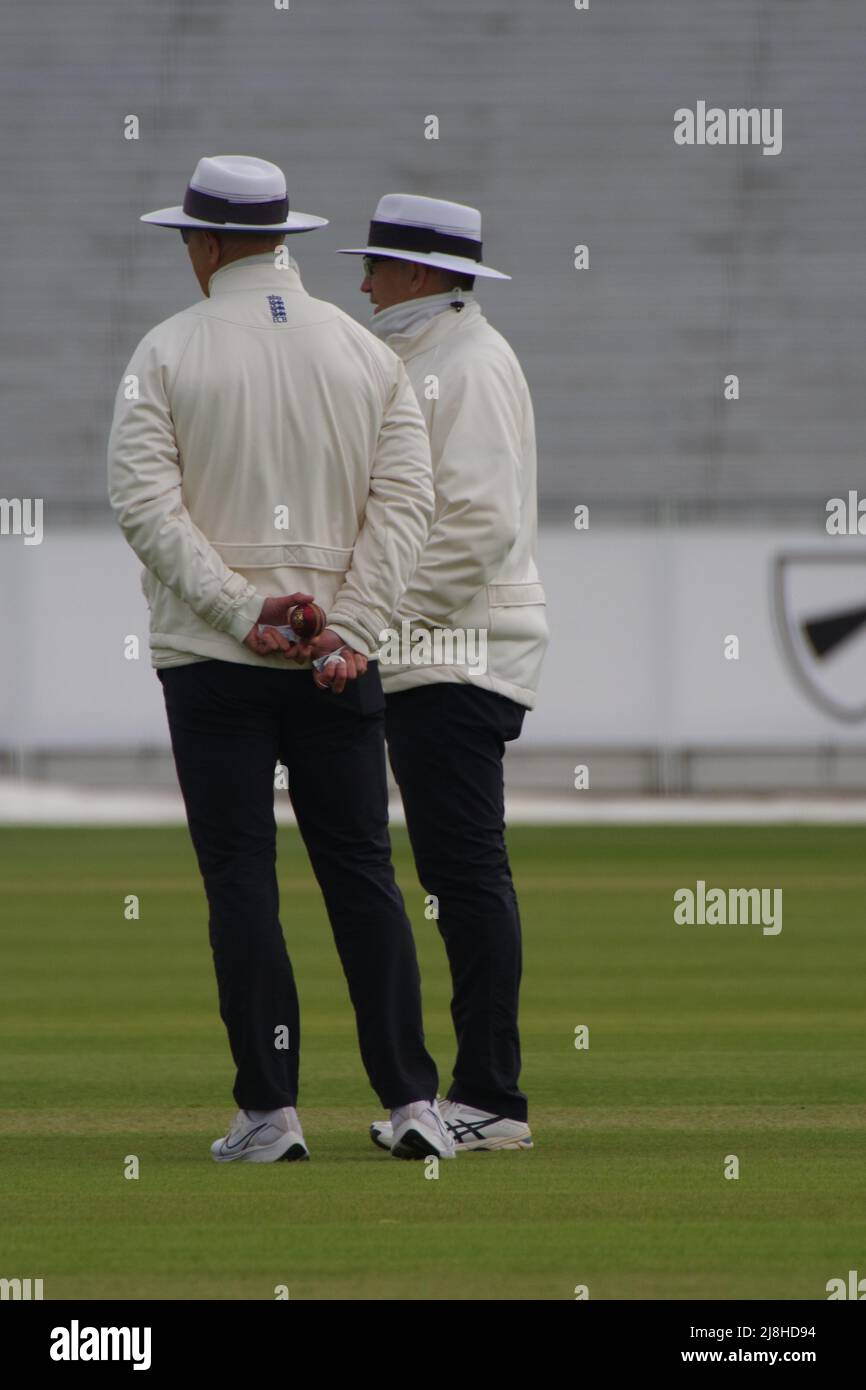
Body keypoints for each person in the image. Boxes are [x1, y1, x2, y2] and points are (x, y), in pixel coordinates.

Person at [108, 157, 455, 1162]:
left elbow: (144, 506)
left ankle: (270, 1111)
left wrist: (239, 607)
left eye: (188, 240)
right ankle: (411, 1100)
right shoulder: (363, 354)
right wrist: (350, 628)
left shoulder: (165, 351)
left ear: (208, 245)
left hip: (214, 663)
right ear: (283, 238)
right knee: (362, 874)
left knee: (240, 878)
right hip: (336, 664)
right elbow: (406, 507)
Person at [338, 195, 549, 1152]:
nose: (366, 280)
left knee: (465, 873)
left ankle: (493, 1099)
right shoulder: (435, 358)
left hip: (458, 655)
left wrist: (371, 620)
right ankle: (483, 1092)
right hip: (437, 653)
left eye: (379, 265)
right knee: (458, 873)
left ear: (422, 275)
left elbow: (479, 527)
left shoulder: (469, 364)